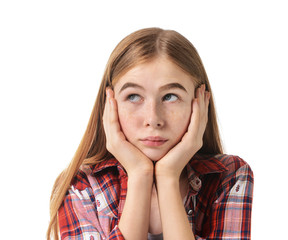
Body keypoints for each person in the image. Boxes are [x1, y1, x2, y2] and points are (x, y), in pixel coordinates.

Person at [47, 27, 254, 240]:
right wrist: (139, 175)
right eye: (134, 96)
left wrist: (168, 177)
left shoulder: (229, 176)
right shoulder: (82, 185)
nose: (153, 119)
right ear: (110, 105)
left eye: (170, 96)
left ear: (200, 103)